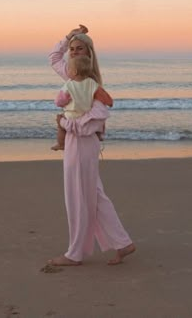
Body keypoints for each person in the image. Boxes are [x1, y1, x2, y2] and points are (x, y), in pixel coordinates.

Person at [47, 24, 135, 266]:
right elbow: (53, 57)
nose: (74, 52)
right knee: (94, 195)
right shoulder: (70, 75)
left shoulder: (93, 84)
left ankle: (75, 253)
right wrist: (68, 37)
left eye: (79, 49)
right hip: (77, 143)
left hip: (84, 144)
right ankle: (123, 243)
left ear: (89, 54)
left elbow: (96, 120)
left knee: (77, 196)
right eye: (72, 49)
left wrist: (66, 123)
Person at [51, 54, 113, 151]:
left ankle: (61, 143)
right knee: (100, 117)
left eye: (69, 69)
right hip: (85, 114)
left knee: (60, 125)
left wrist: (62, 103)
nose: (68, 71)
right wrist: (109, 102)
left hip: (71, 116)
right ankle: (100, 134)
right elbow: (103, 95)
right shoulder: (92, 83)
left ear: (74, 72)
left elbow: (59, 101)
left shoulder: (69, 85)